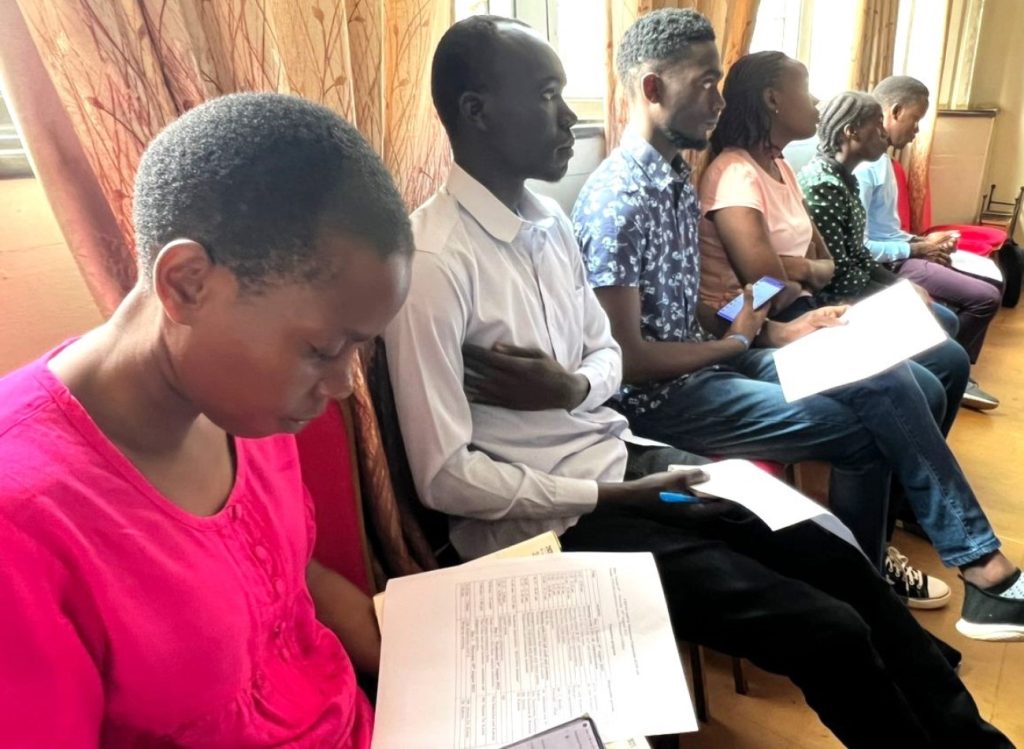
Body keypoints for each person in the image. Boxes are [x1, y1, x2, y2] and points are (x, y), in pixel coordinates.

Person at [384, 12, 1014, 748]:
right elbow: (445, 478)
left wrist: (576, 390)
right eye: (549, 94)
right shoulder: (434, 264)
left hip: (623, 452)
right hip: (555, 518)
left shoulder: (549, 224)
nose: (569, 115)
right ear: (476, 111)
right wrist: (623, 457)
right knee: (827, 621)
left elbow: (606, 359)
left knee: (829, 544)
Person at [572, 8, 1024, 639]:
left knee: (886, 376)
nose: (718, 100)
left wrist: (767, 331)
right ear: (652, 88)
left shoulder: (674, 176)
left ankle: (938, 574)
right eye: (706, 82)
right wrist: (738, 338)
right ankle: (907, 589)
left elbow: (698, 304)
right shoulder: (619, 200)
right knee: (870, 423)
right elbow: (629, 359)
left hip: (719, 355)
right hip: (662, 399)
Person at [0, 93, 413, 746]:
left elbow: (291, 589)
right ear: (188, 283)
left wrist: (447, 678)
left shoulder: (246, 412)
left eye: (358, 348)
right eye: (322, 349)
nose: (341, 385)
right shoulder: (22, 525)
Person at [699, 52, 968, 440]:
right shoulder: (737, 175)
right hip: (772, 319)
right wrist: (802, 270)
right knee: (925, 376)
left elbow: (820, 260)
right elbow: (770, 281)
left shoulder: (784, 167)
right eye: (807, 90)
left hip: (805, 302)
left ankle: (907, 493)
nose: (817, 102)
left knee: (945, 357)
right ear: (773, 99)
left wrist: (801, 269)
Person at [857, 75, 1002, 410]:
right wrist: (918, 248)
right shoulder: (865, 168)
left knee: (988, 278)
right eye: (916, 120)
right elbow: (862, 246)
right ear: (893, 112)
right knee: (984, 297)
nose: (916, 131)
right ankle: (949, 372)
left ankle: (955, 370)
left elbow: (885, 230)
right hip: (887, 264)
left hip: (901, 252)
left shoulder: (883, 162)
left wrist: (924, 241)